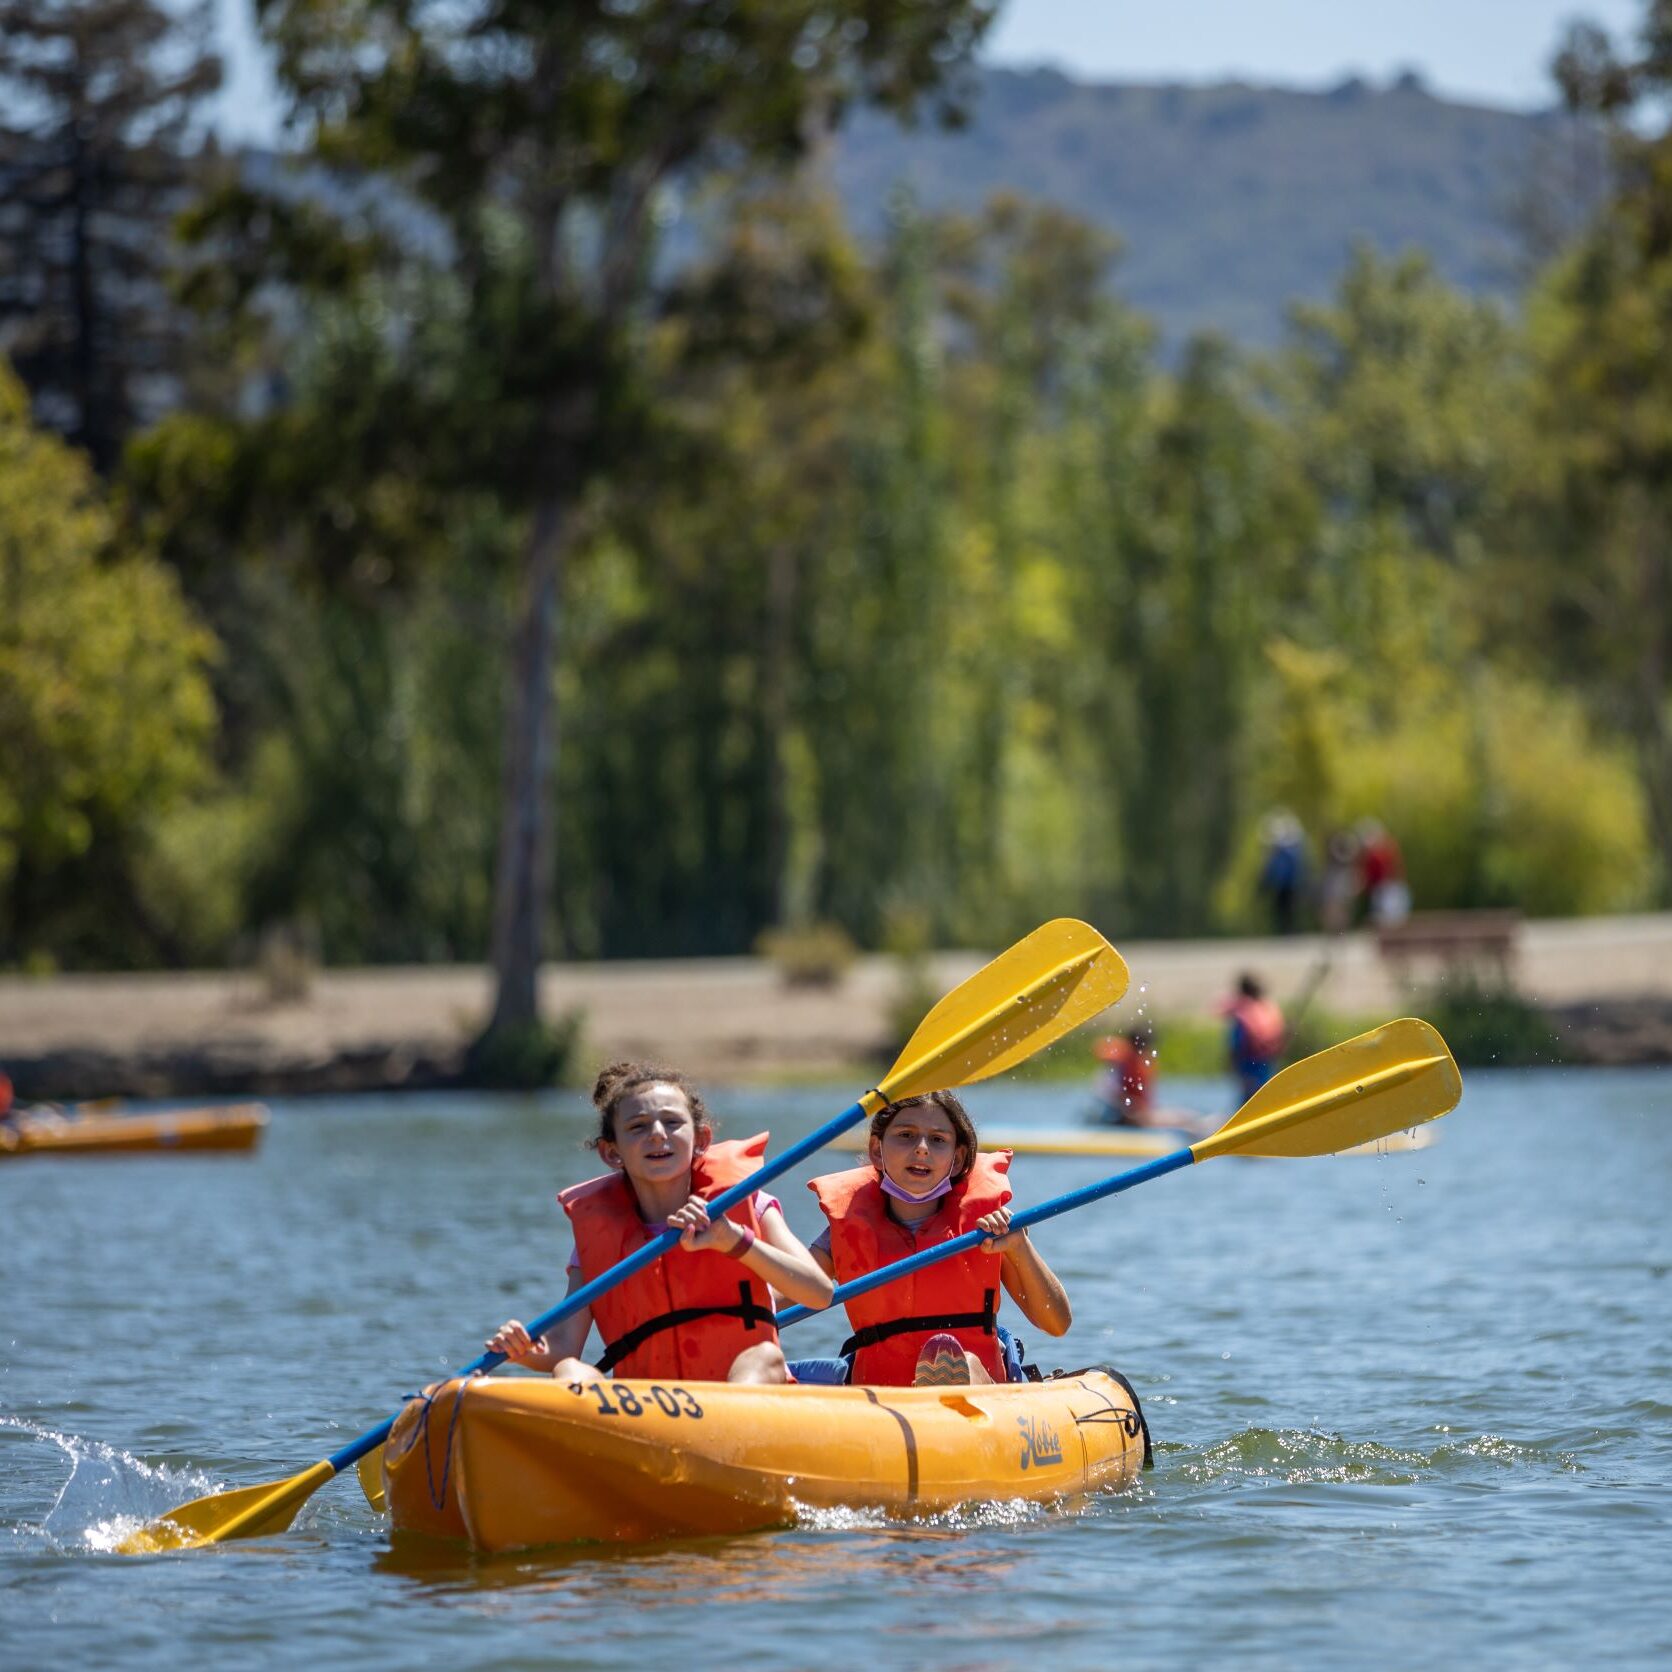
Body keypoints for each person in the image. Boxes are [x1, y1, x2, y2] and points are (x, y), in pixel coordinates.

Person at [486, 1062, 833, 1386]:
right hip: (652, 1408)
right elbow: (563, 1347)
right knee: (570, 1370)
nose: (656, 1135)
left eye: (672, 1123)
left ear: (702, 1140)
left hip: (743, 1399)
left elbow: (818, 1293)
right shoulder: (597, 1237)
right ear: (612, 1152)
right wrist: (527, 1352)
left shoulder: (748, 1207)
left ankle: (724, 1433)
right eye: (637, 1127)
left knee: (764, 1356)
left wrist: (734, 1241)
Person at [793, 1090, 1072, 1388]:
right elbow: (777, 1299)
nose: (922, 1148)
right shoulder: (844, 1230)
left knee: (966, 1363)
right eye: (905, 1135)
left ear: (957, 1159)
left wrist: (1020, 1247)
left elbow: (1056, 1323)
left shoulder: (991, 1227)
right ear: (877, 1149)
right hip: (880, 1395)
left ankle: (955, 1378)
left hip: (982, 1391)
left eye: (938, 1139)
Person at [1220, 973, 1286, 1104]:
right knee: (1264, 1094)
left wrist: (1231, 1063)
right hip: (1267, 1059)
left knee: (1248, 1098)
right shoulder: (1268, 1007)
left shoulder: (1243, 1010)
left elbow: (1236, 1043)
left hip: (1248, 1061)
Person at [1256, 811, 1308, 936]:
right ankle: (1286, 929)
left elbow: (1272, 869)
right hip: (1283, 884)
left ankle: (1288, 930)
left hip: (1287, 884)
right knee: (1284, 908)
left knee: (1286, 908)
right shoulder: (1285, 852)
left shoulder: (1284, 853)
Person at [1091, 1029, 1156, 1127]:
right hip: (1117, 1113)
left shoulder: (1140, 1063)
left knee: (1182, 1118)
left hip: (1132, 1111)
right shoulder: (1120, 1062)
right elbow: (1111, 1093)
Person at [1357, 819, 1411, 926]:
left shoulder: (1379, 853)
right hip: (1390, 891)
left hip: (1388, 892)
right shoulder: (1387, 848)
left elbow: (1382, 876)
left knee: (1388, 922)